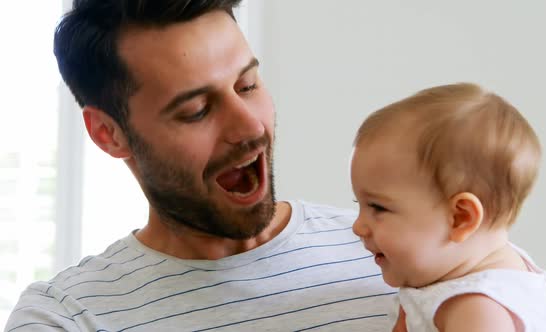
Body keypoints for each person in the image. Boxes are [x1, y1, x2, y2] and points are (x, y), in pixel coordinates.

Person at [5, 1, 395, 331]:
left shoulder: (402, 254)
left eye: (247, 86)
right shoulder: (66, 317)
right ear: (109, 133)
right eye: (196, 110)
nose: (250, 126)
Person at [351, 83, 546, 331]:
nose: (358, 226)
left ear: (460, 218)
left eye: (378, 208)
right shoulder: (457, 272)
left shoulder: (477, 308)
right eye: (359, 204)